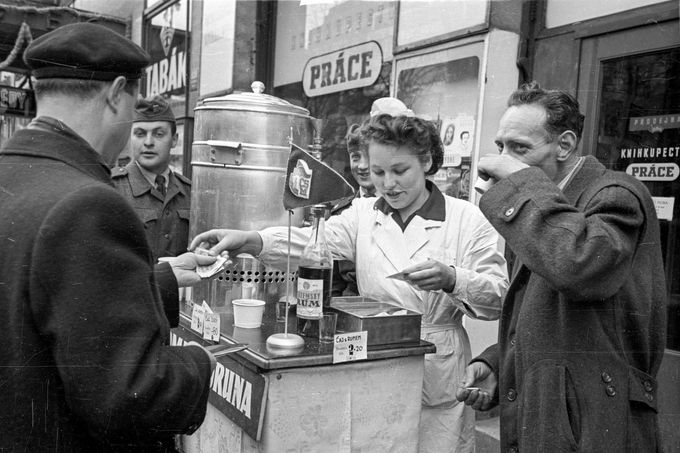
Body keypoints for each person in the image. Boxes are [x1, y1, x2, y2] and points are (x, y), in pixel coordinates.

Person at [190, 107, 509, 453]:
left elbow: (496, 297)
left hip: (440, 369)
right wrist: (249, 240)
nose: (389, 183)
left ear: (427, 162)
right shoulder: (363, 214)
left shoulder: (467, 218)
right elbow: (310, 242)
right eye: (378, 172)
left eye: (400, 171)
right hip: (376, 358)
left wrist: (453, 279)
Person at [0, 23, 218, 452]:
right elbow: (130, 395)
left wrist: (162, 278)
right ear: (117, 94)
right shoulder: (87, 203)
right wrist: (199, 366)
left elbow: (35, 295)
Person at [456, 82, 667, 452]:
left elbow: (576, 267)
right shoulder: (543, 205)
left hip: (594, 418)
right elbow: (545, 309)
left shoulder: (615, 195)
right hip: (559, 409)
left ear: (565, 145)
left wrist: (519, 187)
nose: (503, 160)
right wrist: (498, 363)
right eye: (500, 147)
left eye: (520, 148)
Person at [113, 95, 191, 261]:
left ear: (174, 140)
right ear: (130, 138)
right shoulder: (112, 187)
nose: (148, 142)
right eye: (140, 134)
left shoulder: (189, 191)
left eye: (159, 134)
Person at [331, 121, 376, 296]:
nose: (362, 166)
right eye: (356, 157)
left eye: (370, 158)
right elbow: (332, 285)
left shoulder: (401, 209)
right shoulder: (342, 211)